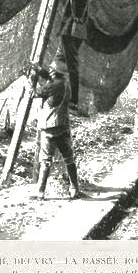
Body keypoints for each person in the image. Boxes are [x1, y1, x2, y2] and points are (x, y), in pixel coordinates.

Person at [29, 58, 86, 200]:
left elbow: (34, 93)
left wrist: (30, 80)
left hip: (49, 129)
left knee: (45, 161)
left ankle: (40, 192)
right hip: (63, 127)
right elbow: (50, 81)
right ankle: (74, 188)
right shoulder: (65, 84)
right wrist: (40, 70)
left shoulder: (53, 86)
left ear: (54, 72)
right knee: (69, 158)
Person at [57, 0, 90, 112]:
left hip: (73, 34)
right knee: (62, 62)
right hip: (70, 32)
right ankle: (60, 94)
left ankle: (74, 101)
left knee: (72, 66)